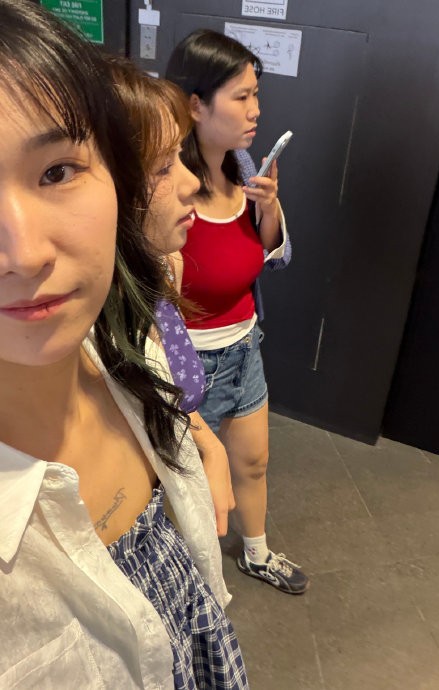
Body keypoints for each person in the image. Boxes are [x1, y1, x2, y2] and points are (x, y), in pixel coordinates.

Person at [0, 3, 248, 688]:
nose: (25, 252)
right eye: (164, 166)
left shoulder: (123, 346)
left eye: (57, 171)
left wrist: (196, 434)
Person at [167, 29, 308, 595]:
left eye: (257, 95)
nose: (256, 110)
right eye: (242, 96)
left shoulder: (245, 165)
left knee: (252, 463)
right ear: (195, 105)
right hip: (187, 365)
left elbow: (271, 257)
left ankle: (256, 554)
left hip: (245, 347)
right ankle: (194, 582)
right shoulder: (163, 186)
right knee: (190, 484)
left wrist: (270, 208)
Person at [107, 55, 235, 539]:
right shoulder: (78, 331)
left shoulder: (162, 270)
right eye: (163, 167)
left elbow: (164, 394)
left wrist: (208, 443)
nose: (192, 182)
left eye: (180, 156)